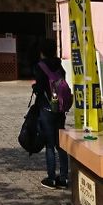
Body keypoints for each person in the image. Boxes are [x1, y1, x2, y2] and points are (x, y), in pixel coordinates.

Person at [32, 38, 70, 190]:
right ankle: (64, 178)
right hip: (60, 110)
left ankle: (51, 178)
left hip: (47, 109)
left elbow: (40, 88)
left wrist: (35, 87)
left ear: (42, 51)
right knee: (60, 144)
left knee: (49, 145)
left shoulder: (41, 66)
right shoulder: (59, 65)